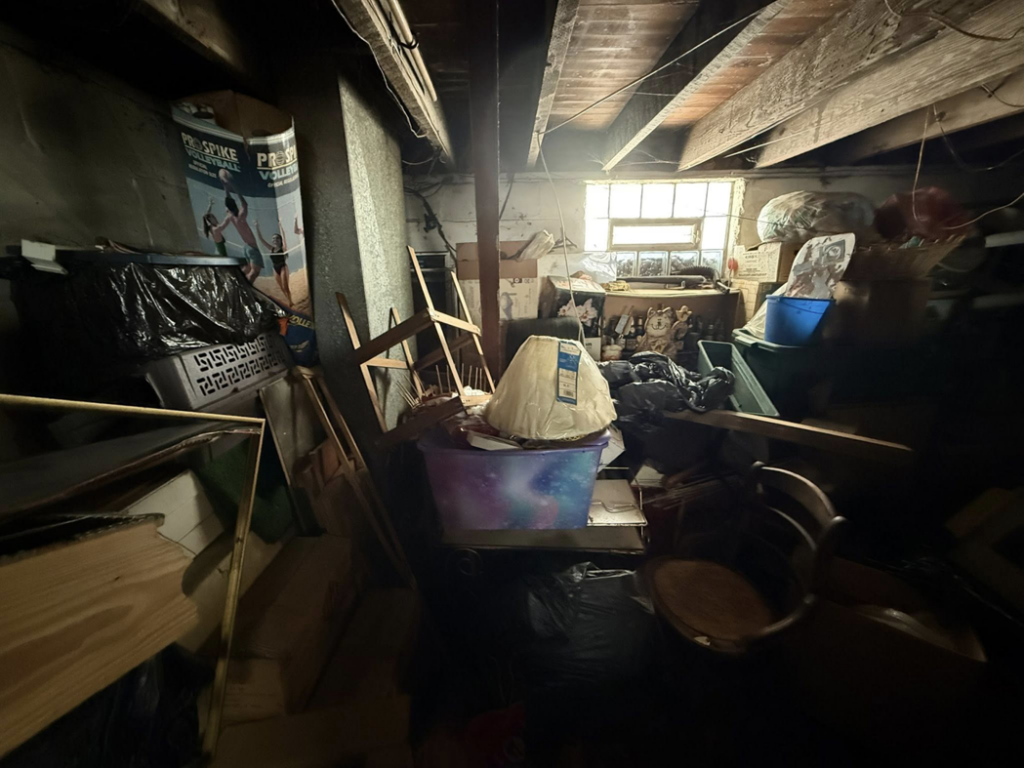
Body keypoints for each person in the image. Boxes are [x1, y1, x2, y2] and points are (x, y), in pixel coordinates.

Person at [222, 186, 262, 282]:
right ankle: (243, 288)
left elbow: (228, 203)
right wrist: (237, 191)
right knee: (254, 273)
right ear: (235, 205)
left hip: (246, 247)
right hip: (252, 247)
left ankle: (235, 281)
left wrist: (226, 189)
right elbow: (245, 204)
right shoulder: (240, 216)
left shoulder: (230, 216)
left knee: (246, 270)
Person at [257, 217, 292, 306]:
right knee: (281, 287)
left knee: (285, 286)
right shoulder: (271, 248)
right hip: (275, 267)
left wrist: (280, 225)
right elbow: (261, 239)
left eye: (277, 239)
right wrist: (257, 227)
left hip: (283, 266)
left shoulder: (283, 248)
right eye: (273, 239)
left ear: (280, 240)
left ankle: (290, 300)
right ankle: (288, 299)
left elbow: (284, 238)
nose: (275, 240)